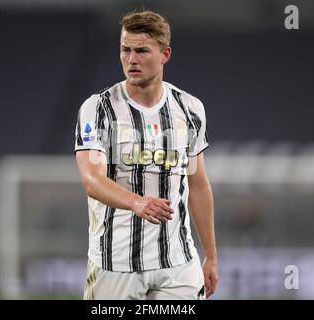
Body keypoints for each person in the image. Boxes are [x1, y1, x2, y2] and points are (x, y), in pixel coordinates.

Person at [75, 10, 218, 300]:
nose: (131, 59)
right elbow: (92, 180)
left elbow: (198, 185)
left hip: (178, 262)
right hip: (115, 263)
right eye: (125, 50)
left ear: (165, 54)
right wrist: (137, 203)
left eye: (141, 50)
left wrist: (211, 255)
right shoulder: (98, 109)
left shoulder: (189, 109)